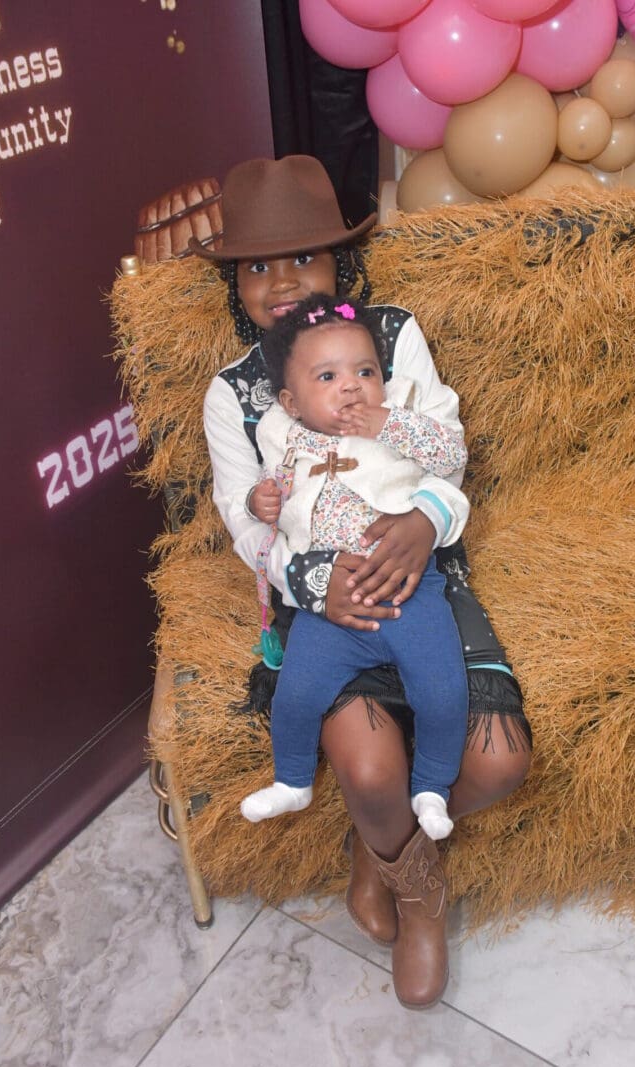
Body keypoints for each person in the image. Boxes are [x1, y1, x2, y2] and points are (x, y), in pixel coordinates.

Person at [190, 155, 532, 1010]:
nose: (281, 282)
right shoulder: (232, 395)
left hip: (424, 572)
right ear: (236, 283)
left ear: (338, 264)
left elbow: (444, 448)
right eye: (258, 266)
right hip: (322, 594)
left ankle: (374, 850)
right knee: (373, 774)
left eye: (302, 257)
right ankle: (417, 891)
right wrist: (315, 585)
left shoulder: (394, 334)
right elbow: (247, 523)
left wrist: (424, 524)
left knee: (500, 762)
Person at [240, 294, 470, 842]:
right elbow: (269, 497)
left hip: (407, 590)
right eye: (328, 376)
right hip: (328, 604)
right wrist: (258, 501)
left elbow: (450, 455)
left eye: (364, 371)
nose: (351, 386)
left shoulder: (396, 424)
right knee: (295, 692)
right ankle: (292, 779)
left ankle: (432, 787)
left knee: (442, 690)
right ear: (292, 403)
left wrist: (389, 424)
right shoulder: (285, 436)